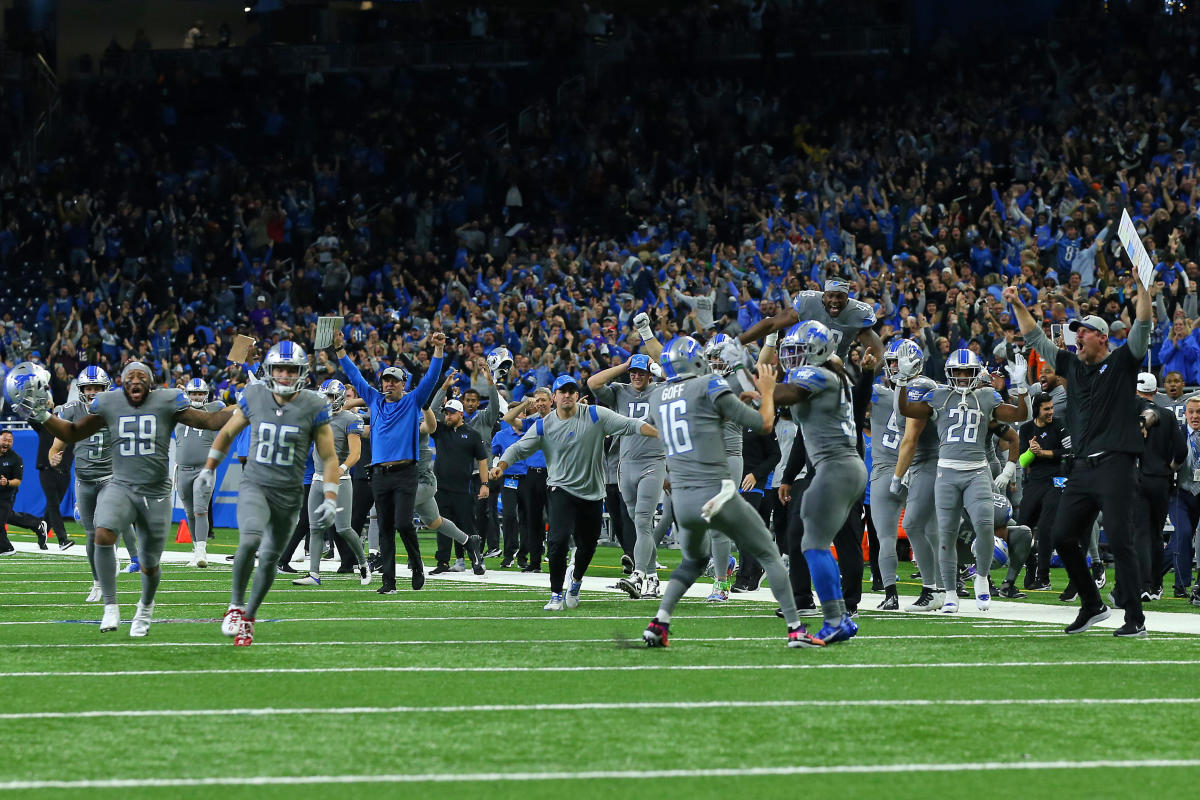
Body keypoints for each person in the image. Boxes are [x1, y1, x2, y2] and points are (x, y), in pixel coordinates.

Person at [28, 361, 233, 637]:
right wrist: (41, 415)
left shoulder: (167, 400)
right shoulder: (109, 403)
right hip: (120, 484)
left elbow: (210, 420)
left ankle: (145, 607)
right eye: (130, 376)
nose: (135, 380)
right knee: (101, 533)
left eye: (141, 376)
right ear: (122, 383)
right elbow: (71, 432)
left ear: (151, 383)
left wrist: (247, 405)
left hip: (156, 490)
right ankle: (110, 605)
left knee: (150, 562)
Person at [638, 337, 819, 647]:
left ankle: (660, 622)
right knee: (769, 553)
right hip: (714, 491)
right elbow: (763, 424)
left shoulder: (656, 396)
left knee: (692, 562)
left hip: (682, 499)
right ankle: (796, 629)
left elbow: (693, 419)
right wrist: (765, 392)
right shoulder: (708, 384)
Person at [1003, 276, 1153, 638]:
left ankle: (1135, 618)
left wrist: (1143, 287)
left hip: (1116, 463)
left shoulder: (1122, 362)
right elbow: (1036, 338)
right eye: (1076, 333)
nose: (1077, 337)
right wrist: (1018, 304)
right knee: (1062, 535)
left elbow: (1145, 324)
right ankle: (1092, 604)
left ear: (1101, 337)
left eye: (1083, 332)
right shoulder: (1072, 367)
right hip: (1083, 467)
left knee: (1119, 539)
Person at [202, 342, 341, 646]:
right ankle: (235, 606)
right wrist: (209, 467)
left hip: (289, 494)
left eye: (291, 369)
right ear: (269, 369)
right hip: (255, 483)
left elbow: (329, 456)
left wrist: (331, 496)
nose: (285, 374)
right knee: (250, 540)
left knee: (268, 559)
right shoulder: (254, 395)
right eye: (280, 368)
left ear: (302, 372)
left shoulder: (314, 405)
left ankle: (249, 616)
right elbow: (227, 432)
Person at [492, 374, 657, 611]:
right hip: (560, 488)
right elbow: (518, 449)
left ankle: (576, 580)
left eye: (572, 391)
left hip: (592, 493)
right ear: (555, 397)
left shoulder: (595, 415)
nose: (567, 395)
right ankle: (556, 594)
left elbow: (630, 424)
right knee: (557, 541)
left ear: (577, 396)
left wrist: (661, 436)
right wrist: (501, 466)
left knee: (588, 545)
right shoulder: (543, 425)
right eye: (563, 391)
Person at [898, 347, 1029, 613]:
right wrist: (902, 380)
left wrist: (1022, 387)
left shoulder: (986, 396)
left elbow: (1020, 416)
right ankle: (949, 594)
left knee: (983, 526)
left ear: (975, 373)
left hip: (977, 470)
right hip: (946, 472)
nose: (960, 376)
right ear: (948, 373)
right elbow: (906, 409)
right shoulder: (939, 396)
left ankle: (981, 579)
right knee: (946, 535)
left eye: (966, 372)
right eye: (956, 371)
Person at [766, 321, 868, 643]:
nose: (793, 358)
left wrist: (764, 389)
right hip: (840, 465)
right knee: (811, 538)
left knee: (813, 544)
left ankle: (836, 618)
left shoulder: (818, 375)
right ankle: (840, 617)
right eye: (790, 352)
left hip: (834, 466)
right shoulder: (830, 374)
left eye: (799, 351)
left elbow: (789, 393)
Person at [333, 329, 446, 594]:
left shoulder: (412, 401)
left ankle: (417, 565)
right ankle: (389, 583)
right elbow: (354, 375)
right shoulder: (373, 398)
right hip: (380, 474)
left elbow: (431, 378)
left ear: (403, 383)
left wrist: (438, 350)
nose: (388, 384)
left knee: (404, 523)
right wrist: (340, 350)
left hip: (407, 472)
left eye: (394, 380)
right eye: (385, 380)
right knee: (384, 527)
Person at [52, 367, 135, 599]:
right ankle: (97, 582)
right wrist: (53, 454)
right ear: (81, 390)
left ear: (105, 388)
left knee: (104, 523)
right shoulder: (71, 410)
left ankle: (112, 554)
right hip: (84, 479)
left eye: (96, 388)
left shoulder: (115, 408)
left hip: (109, 477)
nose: (92, 392)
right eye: (88, 388)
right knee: (90, 534)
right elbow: (58, 441)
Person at [588, 353, 666, 599]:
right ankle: (652, 578)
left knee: (643, 521)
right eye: (633, 372)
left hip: (653, 462)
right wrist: (625, 364)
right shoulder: (620, 390)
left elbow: (679, 381)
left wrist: (654, 366)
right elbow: (593, 383)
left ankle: (638, 574)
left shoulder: (661, 391)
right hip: (626, 464)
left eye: (641, 372)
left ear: (650, 374)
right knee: (638, 524)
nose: (636, 376)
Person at [293, 379, 372, 587]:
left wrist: (342, 469)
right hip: (318, 478)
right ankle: (314, 574)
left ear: (337, 397)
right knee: (316, 528)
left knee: (344, 528)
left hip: (340, 479)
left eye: (329, 397)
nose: (326, 401)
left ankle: (363, 563)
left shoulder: (350, 419)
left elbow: (356, 452)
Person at [1129, 373, 1185, 605]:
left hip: (1139, 478)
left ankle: (1143, 585)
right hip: (1162, 480)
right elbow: (1181, 451)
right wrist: (1169, 467)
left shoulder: (1134, 411)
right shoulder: (1169, 415)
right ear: (1155, 390)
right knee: (1156, 533)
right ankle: (1156, 585)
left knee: (1141, 532)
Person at [429, 396, 488, 575]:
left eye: (451, 413)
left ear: (460, 414)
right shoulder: (440, 431)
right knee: (442, 526)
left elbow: (482, 460)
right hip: (441, 488)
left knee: (468, 525)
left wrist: (485, 484)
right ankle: (443, 562)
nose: (448, 416)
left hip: (463, 489)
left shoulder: (472, 434)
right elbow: (429, 410)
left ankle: (476, 559)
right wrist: (444, 388)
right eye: (446, 413)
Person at [1017, 392, 1069, 591]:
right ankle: (1031, 571)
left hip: (1056, 481)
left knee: (1046, 528)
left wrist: (1044, 453)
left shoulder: (1060, 425)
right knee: (1022, 529)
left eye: (1052, 408)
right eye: (1046, 409)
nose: (1051, 412)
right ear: (1037, 409)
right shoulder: (1026, 429)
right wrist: (1031, 451)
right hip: (1034, 482)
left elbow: (1069, 451)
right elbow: (1022, 461)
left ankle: (1044, 577)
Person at [173, 378, 225, 568]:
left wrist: (189, 400)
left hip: (204, 470)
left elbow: (221, 404)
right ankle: (196, 550)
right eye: (193, 393)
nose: (197, 397)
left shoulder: (211, 411)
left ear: (206, 395)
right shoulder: (178, 411)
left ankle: (202, 551)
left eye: (200, 393)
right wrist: (178, 394)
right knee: (190, 513)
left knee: (200, 509)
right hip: (183, 470)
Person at [501, 389, 551, 571]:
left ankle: (554, 557)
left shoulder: (559, 418)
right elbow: (508, 419)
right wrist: (524, 404)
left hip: (552, 473)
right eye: (537, 400)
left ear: (552, 400)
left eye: (543, 400)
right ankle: (535, 561)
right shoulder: (532, 421)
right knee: (533, 519)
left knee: (553, 518)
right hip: (531, 474)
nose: (540, 403)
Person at [1166, 395, 1200, 603]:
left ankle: (1150, 574)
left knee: (1181, 541)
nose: (1195, 416)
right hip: (1180, 492)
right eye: (1192, 412)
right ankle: (1181, 584)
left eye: (1199, 412)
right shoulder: (1176, 435)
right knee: (1184, 532)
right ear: (1185, 414)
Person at [0, 429, 49, 555]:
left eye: (10, 441)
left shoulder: (15, 459)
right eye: (4, 439)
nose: (7, 443)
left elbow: (17, 481)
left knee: (2, 518)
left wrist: (7, 482)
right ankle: (37, 524)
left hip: (7, 495)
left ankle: (6, 548)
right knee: (7, 516)